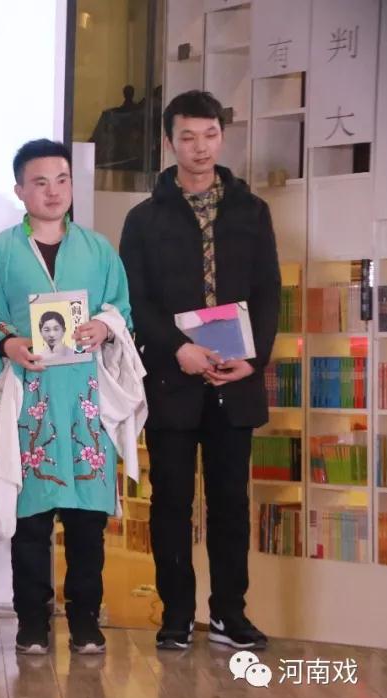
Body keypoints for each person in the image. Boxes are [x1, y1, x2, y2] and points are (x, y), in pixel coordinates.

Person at [119, 90, 279, 651]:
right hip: (173, 380)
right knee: (171, 503)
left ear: (221, 137)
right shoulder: (144, 219)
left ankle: (229, 614)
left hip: (236, 380)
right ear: (170, 143)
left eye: (210, 135)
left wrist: (252, 359)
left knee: (231, 504)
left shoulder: (251, 211)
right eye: (187, 137)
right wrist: (176, 349)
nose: (200, 147)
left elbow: (268, 292)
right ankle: (176, 615)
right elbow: (134, 299)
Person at [0, 139, 131, 656]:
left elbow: (121, 309)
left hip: (85, 398)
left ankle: (85, 619)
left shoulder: (98, 250)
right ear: (19, 189)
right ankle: (31, 621)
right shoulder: (0, 252)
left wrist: (104, 327)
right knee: (31, 521)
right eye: (39, 182)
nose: (52, 191)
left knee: (87, 521)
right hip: (31, 396)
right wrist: (8, 343)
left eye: (62, 180)